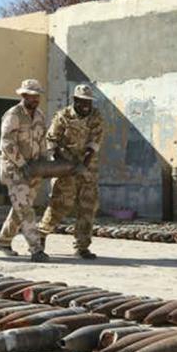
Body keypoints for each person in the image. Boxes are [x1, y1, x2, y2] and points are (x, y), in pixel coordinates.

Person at [38, 83, 104, 259]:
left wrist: (83, 166)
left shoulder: (95, 117)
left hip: (88, 169)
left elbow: (94, 144)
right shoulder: (63, 116)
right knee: (60, 205)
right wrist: (64, 164)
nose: (86, 106)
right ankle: (40, 235)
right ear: (75, 100)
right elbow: (51, 141)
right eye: (82, 102)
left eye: (89, 102)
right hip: (66, 168)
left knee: (88, 207)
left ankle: (82, 247)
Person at [0, 78, 49, 262]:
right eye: (32, 96)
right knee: (25, 208)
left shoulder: (40, 115)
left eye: (37, 96)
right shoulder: (13, 115)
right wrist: (21, 164)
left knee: (20, 207)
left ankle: (3, 241)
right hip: (14, 169)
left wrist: (44, 163)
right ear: (24, 95)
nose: (35, 100)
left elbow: (42, 141)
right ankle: (36, 249)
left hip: (33, 169)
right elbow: (6, 143)